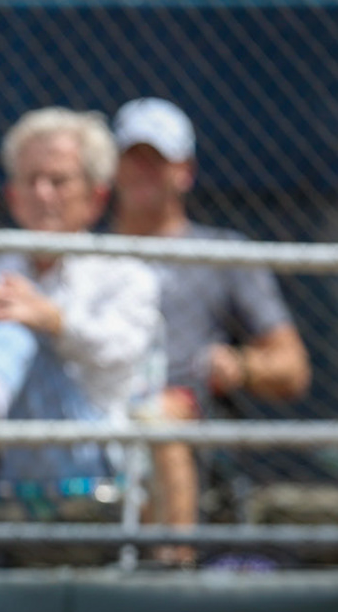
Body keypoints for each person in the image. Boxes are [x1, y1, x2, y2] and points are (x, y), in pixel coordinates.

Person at [0, 107, 164, 567]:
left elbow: (124, 351)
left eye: (57, 180)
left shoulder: (127, 272)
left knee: (15, 322)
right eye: (30, 180)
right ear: (12, 195)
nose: (41, 193)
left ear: (95, 196)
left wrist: (53, 321)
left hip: (84, 452)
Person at [110, 98, 310, 559]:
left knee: (157, 416)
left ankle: (169, 581)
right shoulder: (82, 251)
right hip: (92, 409)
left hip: (181, 411)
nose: (143, 172)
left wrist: (239, 364)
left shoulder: (224, 254)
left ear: (184, 171)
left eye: (156, 161)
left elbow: (292, 368)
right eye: (132, 159)